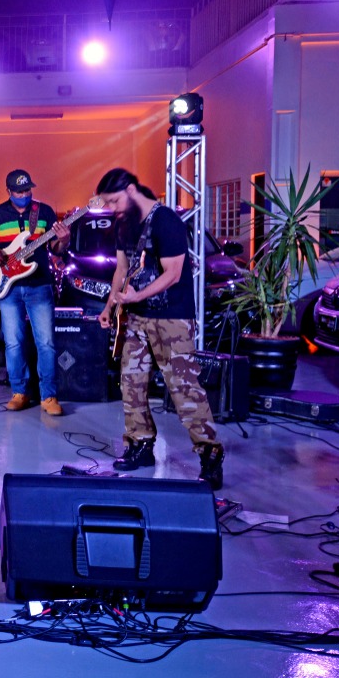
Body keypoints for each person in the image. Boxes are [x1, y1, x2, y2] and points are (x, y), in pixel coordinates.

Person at [94, 168, 224, 490]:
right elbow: (121, 269)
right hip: (136, 317)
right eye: (108, 203)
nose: (112, 208)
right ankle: (140, 445)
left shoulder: (166, 220)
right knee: (131, 383)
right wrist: (109, 307)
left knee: (183, 388)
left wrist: (137, 296)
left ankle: (209, 455)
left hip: (171, 319)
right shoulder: (124, 225)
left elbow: (173, 273)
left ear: (131, 189)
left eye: (114, 201)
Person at [0, 169, 71, 416]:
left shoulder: (44, 212)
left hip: (39, 285)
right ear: (8, 191)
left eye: (27, 190)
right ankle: (19, 392)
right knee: (13, 342)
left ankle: (49, 396)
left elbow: (56, 249)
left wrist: (63, 240)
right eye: (19, 192)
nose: (24, 195)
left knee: (46, 342)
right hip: (8, 287)